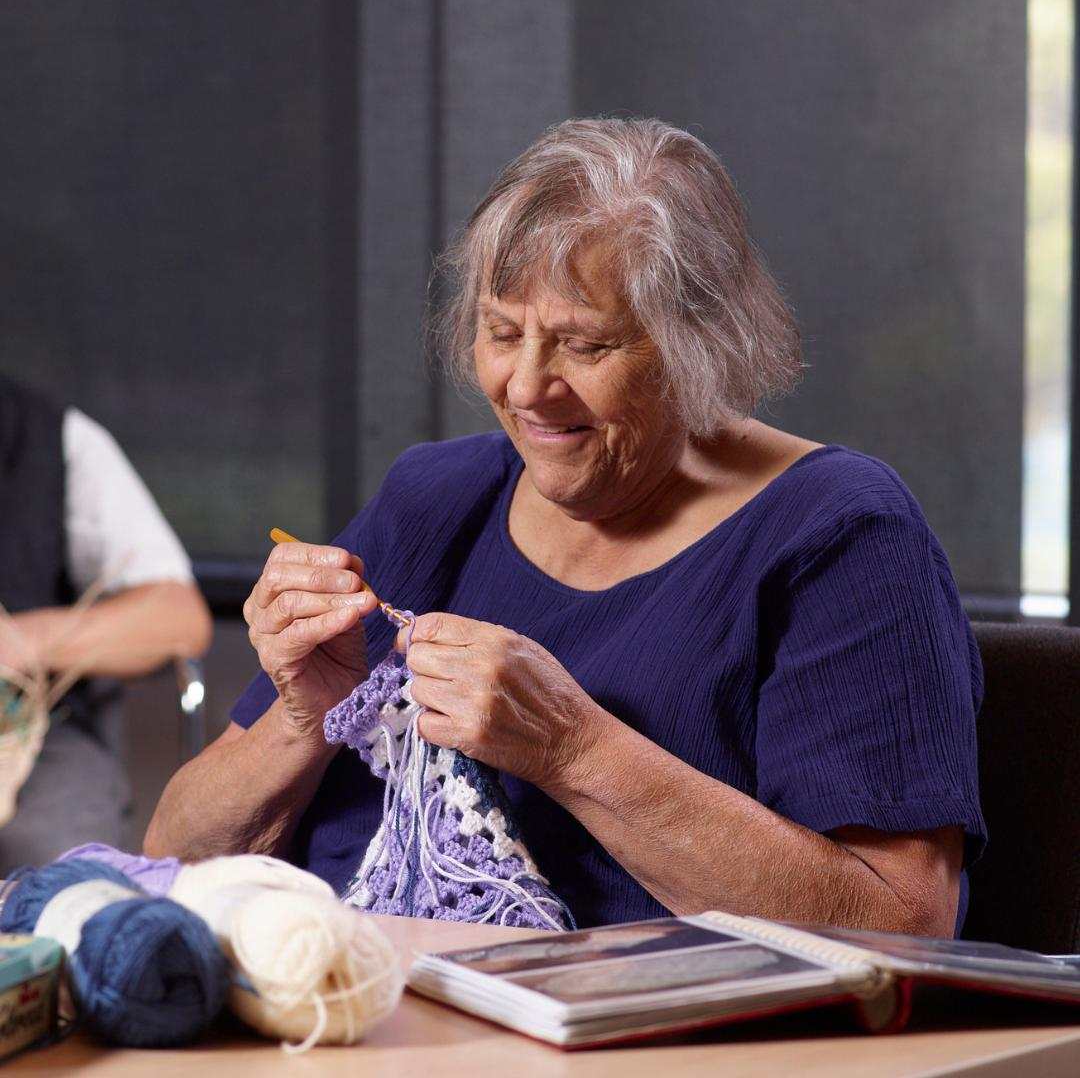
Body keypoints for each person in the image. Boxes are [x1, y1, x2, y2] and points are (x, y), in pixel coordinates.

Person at [146, 118, 986, 937]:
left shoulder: (838, 536)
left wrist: (574, 748)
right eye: (502, 332)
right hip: (335, 1013)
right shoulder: (434, 498)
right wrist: (305, 722)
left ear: (699, 340)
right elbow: (172, 855)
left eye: (584, 345)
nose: (526, 387)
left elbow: (899, 925)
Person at [0, 375, 211, 867]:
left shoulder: (51, 438)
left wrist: (20, 641)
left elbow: (177, 617)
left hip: (38, 738)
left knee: (64, 863)